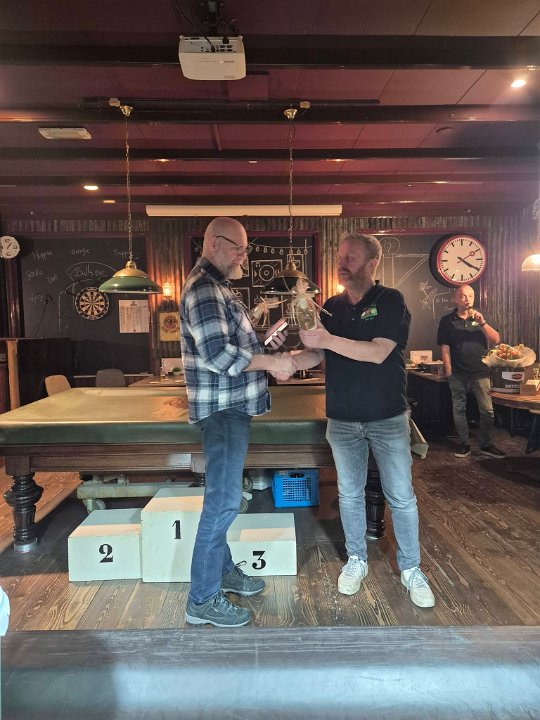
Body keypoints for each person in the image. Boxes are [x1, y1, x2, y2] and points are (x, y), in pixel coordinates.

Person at [291, 231, 435, 608]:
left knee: (400, 496)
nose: (342, 263)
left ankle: (411, 568)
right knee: (350, 494)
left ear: (372, 263)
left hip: (387, 417)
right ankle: (356, 559)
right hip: (342, 418)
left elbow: (377, 352)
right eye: (340, 256)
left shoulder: (390, 300)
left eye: (350, 257)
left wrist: (325, 340)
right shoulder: (331, 307)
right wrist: (285, 361)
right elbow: (317, 355)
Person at [180, 217, 295, 628]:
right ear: (214, 243)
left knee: (224, 499)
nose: (244, 257)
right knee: (224, 502)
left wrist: (264, 342)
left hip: (230, 408)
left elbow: (233, 346)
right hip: (224, 411)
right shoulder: (204, 289)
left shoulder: (218, 288)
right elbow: (217, 355)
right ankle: (201, 599)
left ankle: (224, 572)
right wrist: (273, 363)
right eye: (239, 249)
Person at [437, 284, 505, 459]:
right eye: (463, 296)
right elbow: (445, 347)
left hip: (481, 371)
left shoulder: (482, 316)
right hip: (457, 372)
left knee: (487, 410)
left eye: (470, 296)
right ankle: (464, 443)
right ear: (456, 299)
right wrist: (448, 369)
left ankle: (486, 444)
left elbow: (496, 339)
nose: (467, 299)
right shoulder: (447, 320)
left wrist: (482, 322)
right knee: (459, 408)